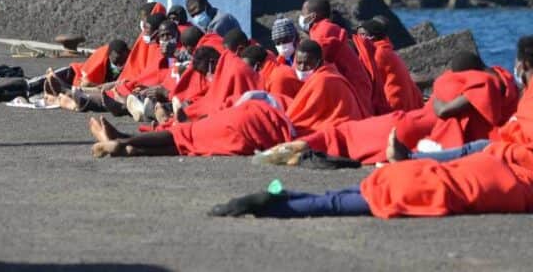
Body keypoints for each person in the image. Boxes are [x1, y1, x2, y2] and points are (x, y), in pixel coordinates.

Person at [209, 36, 533, 220]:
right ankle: (286, 200)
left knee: (381, 176)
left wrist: (443, 88)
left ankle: (286, 199)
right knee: (382, 179)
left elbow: (464, 128)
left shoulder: (488, 85)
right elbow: (481, 145)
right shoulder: (506, 89)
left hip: (489, 158)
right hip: (496, 161)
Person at [88, 94, 295, 158]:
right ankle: (131, 149)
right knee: (186, 147)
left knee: (181, 134)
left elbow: (243, 99)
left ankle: (122, 141)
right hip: (253, 138)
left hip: (245, 116)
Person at [0, 38, 130, 103]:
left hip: (78, 90)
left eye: (121, 61)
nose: (118, 64)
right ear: (109, 56)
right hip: (72, 75)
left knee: (35, 97)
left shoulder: (130, 62)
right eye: (115, 61)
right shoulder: (102, 54)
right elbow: (86, 81)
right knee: (32, 84)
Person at [298, 0, 373, 114]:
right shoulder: (324, 29)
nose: (301, 17)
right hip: (355, 84)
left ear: (312, 16)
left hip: (354, 88)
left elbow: (315, 63)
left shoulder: (322, 33)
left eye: (303, 13)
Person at [286, 40, 367, 134]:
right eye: (299, 63)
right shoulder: (324, 74)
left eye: (307, 63)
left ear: (319, 62)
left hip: (344, 130)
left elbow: (306, 115)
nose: (302, 68)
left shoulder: (324, 80)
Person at [356, 18, 422, 112]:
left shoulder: (379, 54)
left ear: (371, 37)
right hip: (408, 100)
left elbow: (368, 79)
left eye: (362, 35)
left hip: (395, 104)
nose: (357, 39)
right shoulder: (386, 50)